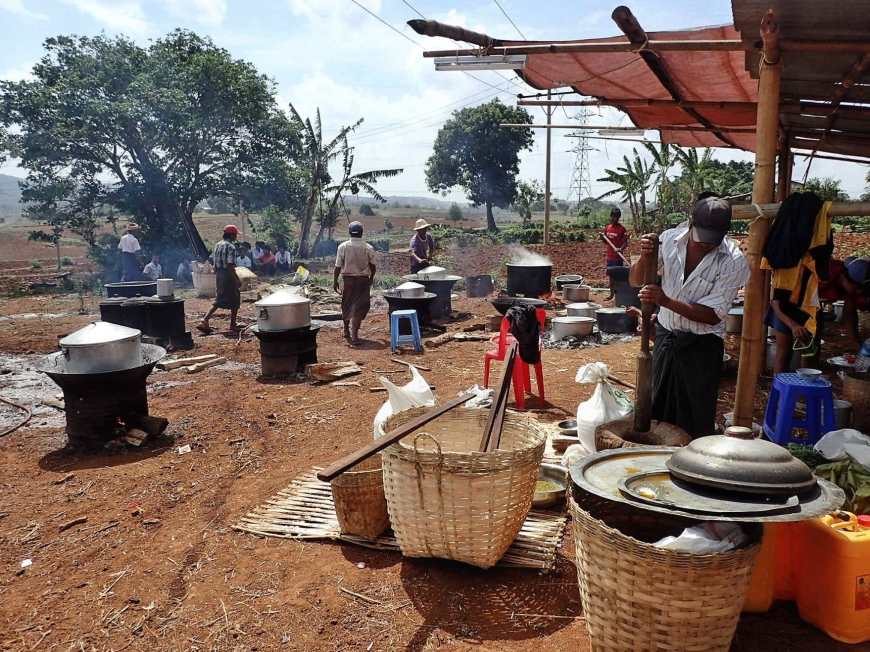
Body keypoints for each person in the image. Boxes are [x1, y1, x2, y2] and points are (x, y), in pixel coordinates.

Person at [629, 196, 749, 438]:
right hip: (666, 339)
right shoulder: (669, 240)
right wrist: (645, 257)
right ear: (691, 224)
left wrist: (665, 301)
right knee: (656, 413)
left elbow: (713, 315)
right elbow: (635, 279)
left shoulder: (734, 260)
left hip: (700, 350)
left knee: (694, 419)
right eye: (701, 238)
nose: (705, 245)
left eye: (712, 241)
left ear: (725, 232)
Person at [334, 221, 376, 344]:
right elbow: (373, 266)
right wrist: (371, 278)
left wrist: (335, 281)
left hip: (348, 281)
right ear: (361, 233)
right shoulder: (368, 247)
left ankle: (346, 329)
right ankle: (354, 335)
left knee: (346, 305)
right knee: (359, 307)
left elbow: (337, 266)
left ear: (349, 232)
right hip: (363, 281)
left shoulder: (342, 246)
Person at [198, 225, 241, 333]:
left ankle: (205, 320)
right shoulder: (231, 247)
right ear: (231, 235)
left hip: (219, 275)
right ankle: (231, 325)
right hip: (228, 275)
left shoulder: (217, 245)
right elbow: (230, 265)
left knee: (220, 298)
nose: (236, 236)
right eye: (235, 234)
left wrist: (218, 275)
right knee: (235, 298)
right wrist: (236, 279)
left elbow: (214, 263)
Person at [820, 257, 870, 346]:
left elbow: (849, 313)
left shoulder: (851, 286)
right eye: (857, 288)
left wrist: (854, 341)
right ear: (844, 277)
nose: (859, 292)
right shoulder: (825, 276)